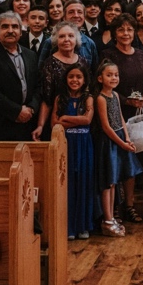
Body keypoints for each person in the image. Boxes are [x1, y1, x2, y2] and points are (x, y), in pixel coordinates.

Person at [102, 13, 143, 224]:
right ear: (114, 33)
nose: (125, 33)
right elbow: (105, 83)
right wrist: (126, 100)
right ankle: (114, 208)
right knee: (115, 160)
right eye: (121, 30)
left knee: (133, 160)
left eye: (129, 30)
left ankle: (130, 206)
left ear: (135, 32)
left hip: (139, 114)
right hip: (116, 110)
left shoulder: (142, 55)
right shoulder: (108, 54)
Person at [94, 60, 143, 237]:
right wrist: (121, 143)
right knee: (108, 182)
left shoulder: (114, 95)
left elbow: (120, 118)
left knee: (114, 181)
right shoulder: (100, 98)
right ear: (100, 78)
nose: (114, 78)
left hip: (120, 139)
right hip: (108, 142)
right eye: (109, 75)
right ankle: (107, 220)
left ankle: (111, 219)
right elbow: (106, 126)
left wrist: (127, 137)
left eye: (116, 75)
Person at [0, 12, 40, 141]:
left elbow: (38, 86)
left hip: (26, 126)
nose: (10, 30)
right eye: (5, 27)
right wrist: (16, 111)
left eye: (15, 27)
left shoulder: (31, 55)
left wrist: (31, 109)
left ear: (21, 32)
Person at [52, 64, 96, 240]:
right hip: (65, 144)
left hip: (84, 144)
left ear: (84, 80)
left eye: (79, 77)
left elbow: (87, 119)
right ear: (66, 79)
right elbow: (54, 123)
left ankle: (83, 226)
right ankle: (68, 227)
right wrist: (68, 121)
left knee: (84, 183)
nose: (75, 80)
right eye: (71, 77)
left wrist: (65, 118)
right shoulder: (59, 99)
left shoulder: (89, 98)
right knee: (67, 184)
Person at [36, 22, 90, 140]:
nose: (66, 39)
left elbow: (87, 94)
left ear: (76, 39)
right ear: (55, 40)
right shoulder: (49, 64)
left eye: (70, 36)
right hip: (57, 124)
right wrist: (40, 126)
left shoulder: (83, 62)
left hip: (82, 126)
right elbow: (46, 99)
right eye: (62, 36)